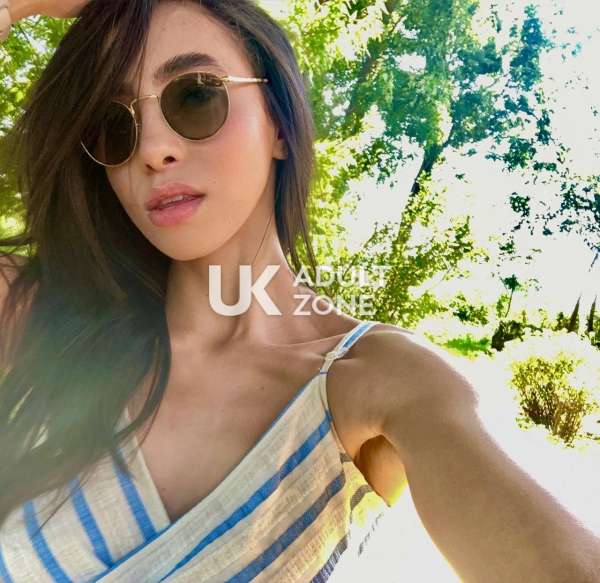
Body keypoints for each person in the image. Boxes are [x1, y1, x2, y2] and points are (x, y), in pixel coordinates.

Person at [0, 1, 599, 581]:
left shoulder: (376, 384)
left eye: (196, 96)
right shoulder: (36, 316)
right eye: (114, 125)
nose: (154, 151)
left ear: (280, 127)